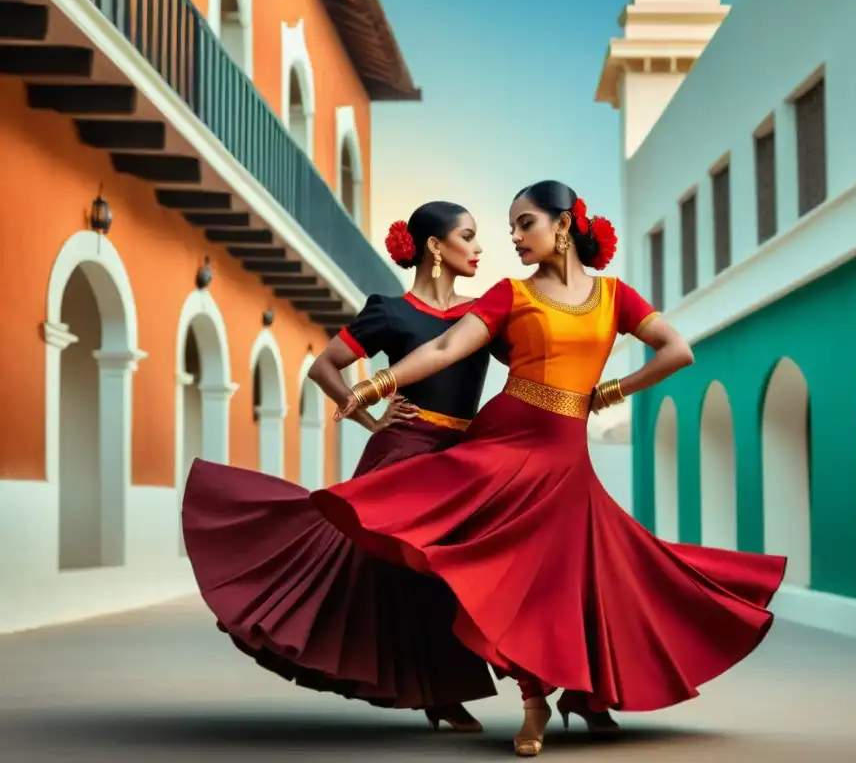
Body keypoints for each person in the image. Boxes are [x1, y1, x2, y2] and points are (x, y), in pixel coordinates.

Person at [315, 181, 788, 757]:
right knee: (514, 578)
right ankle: (534, 704)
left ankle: (585, 696)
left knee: (594, 575)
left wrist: (611, 391)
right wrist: (377, 386)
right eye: (510, 227)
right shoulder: (508, 294)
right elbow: (443, 351)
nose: (513, 237)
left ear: (562, 226)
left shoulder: (615, 296)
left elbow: (676, 350)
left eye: (524, 224)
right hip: (504, 448)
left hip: (567, 457)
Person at [182, 201, 501, 733]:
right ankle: (442, 695)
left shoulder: (484, 313)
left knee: (450, 572)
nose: (479, 248)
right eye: (468, 236)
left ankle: (447, 691)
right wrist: (375, 422)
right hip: (403, 454)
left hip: (462, 461)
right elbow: (323, 366)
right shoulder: (390, 311)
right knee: (397, 572)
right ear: (435, 247)